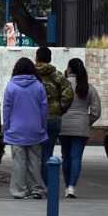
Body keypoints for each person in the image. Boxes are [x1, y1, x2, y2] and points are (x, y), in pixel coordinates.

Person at [3, 58, 48, 200]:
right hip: (35, 128)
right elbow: (44, 108)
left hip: (16, 129)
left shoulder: (11, 86)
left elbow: (6, 108)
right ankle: (36, 188)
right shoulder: (39, 86)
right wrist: (42, 126)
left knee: (19, 162)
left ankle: (19, 190)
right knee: (35, 161)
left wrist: (6, 126)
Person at [60, 58, 101, 198]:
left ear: (69, 69)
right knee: (76, 157)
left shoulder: (63, 85)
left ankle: (66, 185)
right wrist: (86, 121)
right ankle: (71, 187)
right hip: (81, 127)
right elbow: (96, 111)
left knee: (65, 157)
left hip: (63, 124)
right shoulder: (89, 88)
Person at [34, 47, 74, 186]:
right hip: (53, 117)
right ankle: (47, 184)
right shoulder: (56, 75)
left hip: (34, 117)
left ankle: (35, 184)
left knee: (33, 153)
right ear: (50, 58)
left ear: (36, 57)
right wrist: (61, 108)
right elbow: (68, 93)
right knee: (47, 152)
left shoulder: (30, 74)